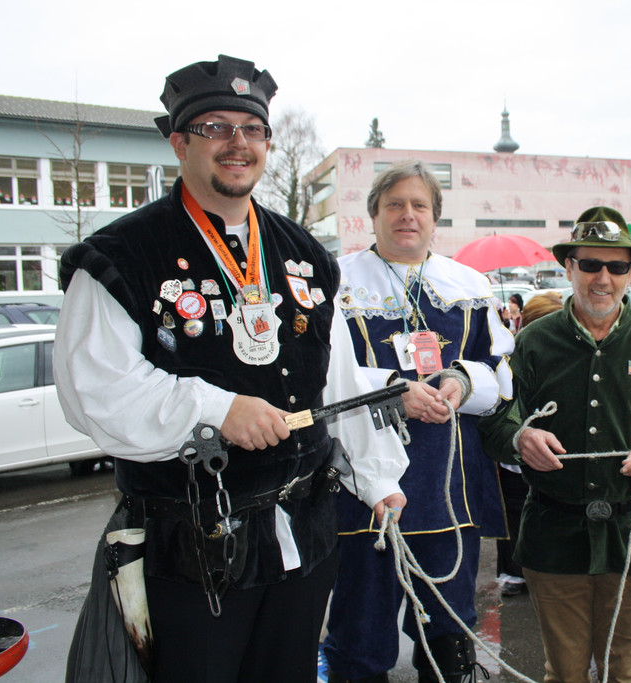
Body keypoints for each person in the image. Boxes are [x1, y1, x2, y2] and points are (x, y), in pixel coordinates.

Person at [54, 55, 408, 683]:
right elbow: (94, 389)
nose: (237, 143)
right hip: (192, 548)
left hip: (304, 535)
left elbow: (338, 376)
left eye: (252, 129)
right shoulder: (121, 255)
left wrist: (377, 476)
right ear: (179, 142)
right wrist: (217, 409)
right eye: (215, 127)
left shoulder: (305, 253)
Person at [479, 206, 631, 683]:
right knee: (565, 674)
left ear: (630, 272)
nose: (603, 278)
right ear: (569, 267)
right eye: (590, 264)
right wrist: (520, 437)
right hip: (553, 540)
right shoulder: (532, 343)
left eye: (617, 266)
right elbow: (495, 419)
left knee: (623, 672)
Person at [323, 161, 515, 683]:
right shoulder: (335, 282)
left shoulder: (468, 284)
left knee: (450, 633)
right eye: (395, 204)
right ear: (374, 214)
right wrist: (392, 391)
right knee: (361, 636)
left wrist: (462, 382)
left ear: (435, 217)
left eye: (419, 205)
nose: (407, 215)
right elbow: (320, 374)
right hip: (361, 489)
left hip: (449, 485)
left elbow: (502, 370)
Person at [497, 292, 565, 598]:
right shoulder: (508, 357)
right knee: (514, 511)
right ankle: (514, 572)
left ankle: (548, 569)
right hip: (515, 453)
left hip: (555, 452)